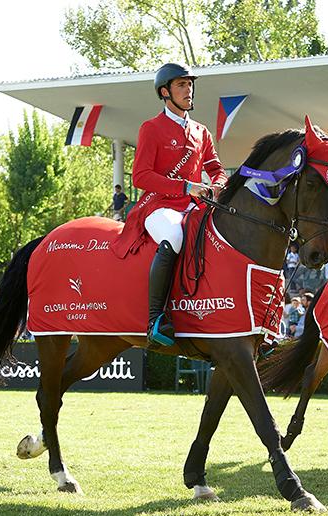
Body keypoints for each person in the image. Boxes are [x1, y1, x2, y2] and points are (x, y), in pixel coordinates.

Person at [113, 62, 227, 347]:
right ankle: (155, 319)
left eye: (190, 84)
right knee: (175, 235)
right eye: (181, 85)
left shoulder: (201, 132)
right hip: (157, 206)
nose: (188, 90)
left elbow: (215, 168)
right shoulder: (151, 128)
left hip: (192, 204)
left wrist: (219, 184)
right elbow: (140, 176)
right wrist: (187, 186)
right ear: (165, 92)